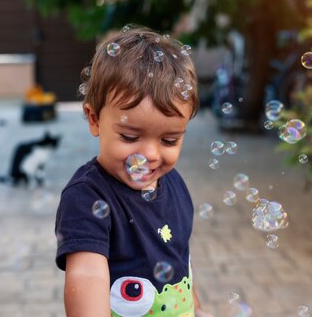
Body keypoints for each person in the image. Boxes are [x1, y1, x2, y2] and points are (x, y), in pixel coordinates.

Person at [55, 27, 215, 317]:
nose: (150, 156)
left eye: (169, 140)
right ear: (94, 119)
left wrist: (198, 308)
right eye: (130, 137)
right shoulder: (88, 197)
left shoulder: (174, 184)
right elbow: (86, 277)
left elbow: (180, 262)